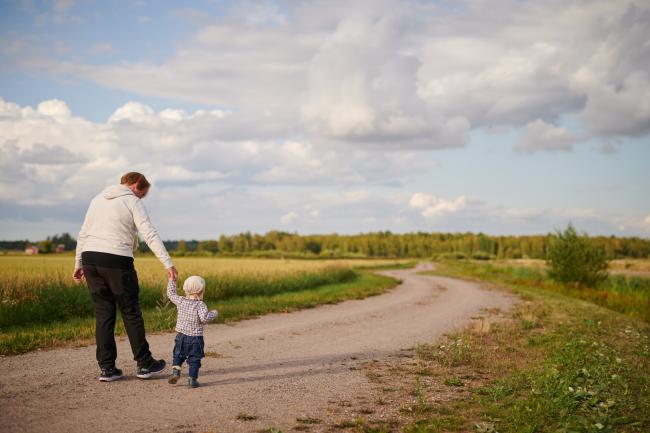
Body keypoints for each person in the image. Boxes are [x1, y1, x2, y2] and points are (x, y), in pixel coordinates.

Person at [72, 172, 178, 382]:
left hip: (90, 258)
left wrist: (78, 263)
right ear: (136, 185)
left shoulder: (97, 199)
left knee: (104, 313)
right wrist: (168, 263)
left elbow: (83, 233)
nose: (141, 198)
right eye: (142, 193)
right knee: (130, 311)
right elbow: (148, 232)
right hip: (117, 260)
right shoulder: (131, 201)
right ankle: (145, 364)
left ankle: (107, 368)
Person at [166, 275, 218, 388]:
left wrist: (172, 280)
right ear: (201, 291)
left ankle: (175, 372)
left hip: (181, 336)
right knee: (195, 358)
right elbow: (204, 319)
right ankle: (192, 379)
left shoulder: (180, 301)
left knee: (178, 354)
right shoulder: (200, 305)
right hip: (196, 338)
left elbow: (170, 294)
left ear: (185, 289)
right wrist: (214, 313)